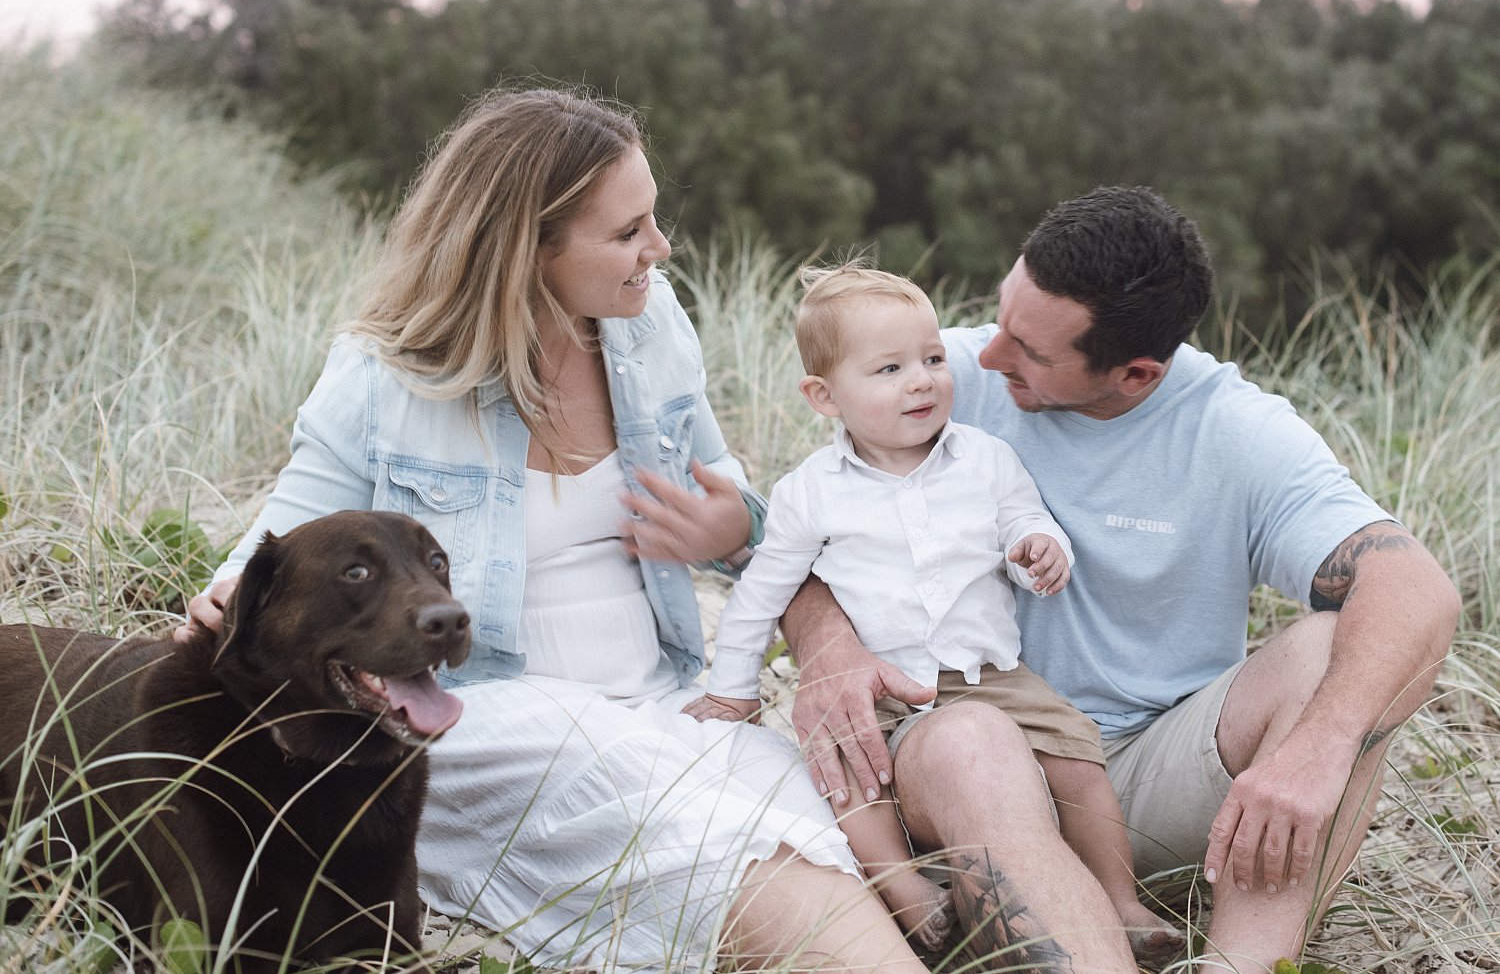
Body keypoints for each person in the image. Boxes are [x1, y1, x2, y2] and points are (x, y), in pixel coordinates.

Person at [178, 87, 936, 974]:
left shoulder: (652, 330)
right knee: (732, 841)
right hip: (494, 720)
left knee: (811, 814)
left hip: (665, 702)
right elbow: (272, 555)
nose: (660, 249)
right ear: (523, 247)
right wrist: (222, 601)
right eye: (627, 233)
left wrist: (733, 529)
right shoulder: (381, 378)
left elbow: (747, 524)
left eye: (652, 219)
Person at [781, 186, 1460, 971]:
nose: (989, 355)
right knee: (975, 743)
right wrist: (827, 642)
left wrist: (1317, 751)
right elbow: (780, 536)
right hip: (952, 747)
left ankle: (1239, 965)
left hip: (1143, 778)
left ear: (1136, 374)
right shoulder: (929, 379)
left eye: (1030, 353)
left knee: (1335, 653)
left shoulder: (1235, 431)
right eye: (1003, 316)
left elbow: (1419, 592)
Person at [682, 265, 1184, 963]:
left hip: (993, 675)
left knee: (1076, 757)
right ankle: (905, 891)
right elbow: (762, 595)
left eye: (933, 359)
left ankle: (1121, 897)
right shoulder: (810, 493)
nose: (922, 380)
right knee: (849, 778)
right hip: (882, 685)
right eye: (889, 368)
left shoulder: (985, 458)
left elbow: (1023, 518)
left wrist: (1039, 546)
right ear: (824, 396)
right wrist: (730, 691)